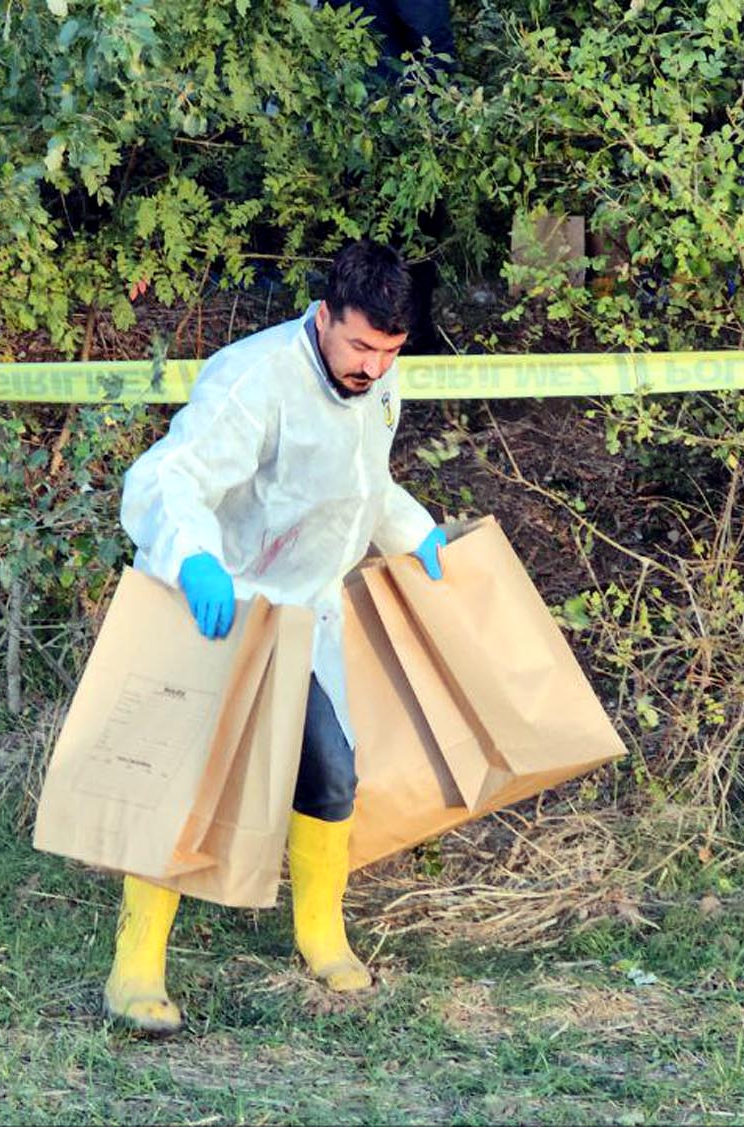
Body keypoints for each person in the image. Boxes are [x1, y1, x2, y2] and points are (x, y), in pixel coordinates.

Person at [107, 240, 448, 1034]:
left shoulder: (381, 382)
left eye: (390, 352)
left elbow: (364, 484)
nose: (372, 366)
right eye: (361, 345)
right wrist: (194, 559)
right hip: (222, 606)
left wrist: (413, 532)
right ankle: (135, 966)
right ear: (325, 315)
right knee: (187, 784)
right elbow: (169, 476)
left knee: (331, 772)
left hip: (307, 615)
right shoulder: (254, 377)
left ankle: (320, 933)